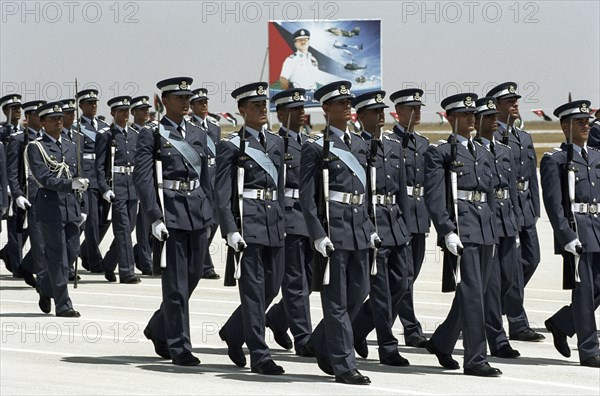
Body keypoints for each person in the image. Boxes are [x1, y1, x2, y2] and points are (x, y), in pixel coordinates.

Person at [300, 80, 378, 385]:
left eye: (349, 103)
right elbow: (308, 199)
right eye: (341, 103)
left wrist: (371, 228)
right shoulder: (315, 146)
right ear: (326, 109)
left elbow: (367, 192)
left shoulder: (360, 144)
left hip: (359, 231)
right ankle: (345, 366)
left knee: (358, 296)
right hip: (333, 234)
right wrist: (318, 235)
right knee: (336, 302)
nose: (348, 107)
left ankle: (321, 345)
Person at [134, 77, 212, 366]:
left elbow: (204, 177)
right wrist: (154, 217)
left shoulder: (197, 132)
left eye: (187, 97)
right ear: (165, 101)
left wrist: (209, 210)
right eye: (179, 98)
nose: (185, 102)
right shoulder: (153, 134)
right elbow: (143, 178)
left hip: (197, 212)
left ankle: (158, 325)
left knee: (193, 276)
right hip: (172, 214)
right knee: (176, 284)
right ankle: (179, 346)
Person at [424, 93, 501, 377]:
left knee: (476, 292)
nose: (471, 120)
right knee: (472, 295)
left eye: (473, 115)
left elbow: (489, 193)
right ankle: (475, 359)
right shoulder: (441, 151)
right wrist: (446, 230)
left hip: (484, 227)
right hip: (462, 228)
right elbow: (434, 198)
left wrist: (493, 223)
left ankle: (442, 341)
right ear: (451, 118)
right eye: (465, 115)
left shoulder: (481, 150)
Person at [216, 82, 286, 375]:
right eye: (255, 106)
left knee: (271, 289)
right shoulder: (231, 145)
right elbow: (221, 193)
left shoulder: (277, 142)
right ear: (242, 110)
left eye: (263, 105)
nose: (261, 110)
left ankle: (233, 331)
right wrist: (230, 229)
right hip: (250, 224)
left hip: (275, 225)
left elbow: (280, 186)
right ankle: (260, 354)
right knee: (253, 292)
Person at [350, 90, 412, 366]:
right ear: (361, 117)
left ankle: (355, 330)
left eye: (382, 111)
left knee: (402, 284)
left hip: (395, 224)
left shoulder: (393, 146)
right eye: (374, 112)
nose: (380, 116)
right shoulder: (356, 147)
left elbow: (401, 193)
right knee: (380, 291)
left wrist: (406, 227)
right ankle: (387, 347)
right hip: (372, 226)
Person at [541, 99, 600, 368]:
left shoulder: (597, 156)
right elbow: (554, 206)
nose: (585, 126)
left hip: (598, 227)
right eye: (579, 122)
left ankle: (562, 323)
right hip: (578, 232)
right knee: (585, 293)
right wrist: (566, 237)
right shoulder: (555, 160)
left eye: (587, 121)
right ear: (566, 126)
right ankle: (589, 351)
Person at [488, 82, 544, 342]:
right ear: (496, 107)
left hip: (524, 208)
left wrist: (535, 207)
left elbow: (532, 175)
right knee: (504, 268)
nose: (515, 104)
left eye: (516, 100)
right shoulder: (491, 137)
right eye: (509, 101)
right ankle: (517, 322)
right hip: (503, 208)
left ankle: (499, 308)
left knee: (531, 259)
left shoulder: (523, 137)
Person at [264, 88, 315, 357]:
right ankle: (303, 337)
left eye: (302, 108)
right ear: (281, 114)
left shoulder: (309, 141)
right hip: (288, 215)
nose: (301, 113)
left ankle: (277, 317)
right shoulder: (276, 144)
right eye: (294, 110)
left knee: (308, 278)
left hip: (307, 217)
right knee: (295, 281)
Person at [26, 101, 88, 317]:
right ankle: (63, 304)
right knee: (57, 257)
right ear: (42, 123)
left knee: (71, 252)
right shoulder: (37, 147)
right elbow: (43, 178)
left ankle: (45, 285)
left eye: (60, 118)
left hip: (70, 207)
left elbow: (79, 176)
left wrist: (83, 203)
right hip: (50, 208)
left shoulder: (72, 145)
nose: (58, 122)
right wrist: (70, 184)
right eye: (52, 119)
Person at [474, 97, 522, 359]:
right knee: (490, 287)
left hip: (507, 222)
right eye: (489, 117)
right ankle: (497, 339)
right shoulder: (474, 151)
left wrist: (515, 221)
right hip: (485, 223)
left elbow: (512, 190)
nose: (494, 121)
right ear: (478, 121)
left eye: (496, 116)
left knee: (509, 279)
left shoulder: (504, 151)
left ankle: (444, 337)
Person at [389, 88, 430, 348]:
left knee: (410, 277)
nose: (416, 113)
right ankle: (411, 329)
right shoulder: (389, 142)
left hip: (420, 217)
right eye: (410, 109)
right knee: (403, 277)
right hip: (398, 216)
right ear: (398, 112)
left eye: (419, 108)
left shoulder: (424, 143)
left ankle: (369, 319)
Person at [96, 96, 141, 284]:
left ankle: (108, 263)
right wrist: (105, 188)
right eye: (120, 111)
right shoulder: (106, 135)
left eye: (126, 111)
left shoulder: (135, 135)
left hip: (132, 187)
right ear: (113, 113)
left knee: (128, 228)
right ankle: (126, 272)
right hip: (117, 187)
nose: (124, 114)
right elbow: (99, 166)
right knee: (122, 230)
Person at [6, 100, 47, 287]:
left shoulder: (46, 138)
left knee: (46, 238)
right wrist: (16, 194)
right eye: (38, 115)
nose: (41, 119)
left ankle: (27, 266)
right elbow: (12, 171)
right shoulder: (18, 139)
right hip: (28, 194)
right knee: (36, 239)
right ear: (29, 117)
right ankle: (41, 278)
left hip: (46, 194)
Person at [76, 89, 111, 274]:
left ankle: (85, 252)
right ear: (80, 106)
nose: (93, 106)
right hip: (87, 178)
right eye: (89, 103)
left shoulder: (104, 126)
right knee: (90, 221)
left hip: (102, 179)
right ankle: (94, 261)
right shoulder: (76, 127)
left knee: (104, 220)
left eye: (95, 102)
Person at [189, 87, 221, 280]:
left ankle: (200, 258)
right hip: (201, 177)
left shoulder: (215, 127)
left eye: (206, 102)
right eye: (200, 103)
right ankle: (205, 265)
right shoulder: (190, 126)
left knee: (215, 220)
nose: (204, 105)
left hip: (215, 176)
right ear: (192, 106)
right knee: (204, 220)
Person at [129, 96, 153, 276]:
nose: (146, 113)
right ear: (133, 113)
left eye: (147, 109)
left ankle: (145, 255)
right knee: (136, 225)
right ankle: (145, 261)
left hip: (150, 183)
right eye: (142, 110)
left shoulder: (153, 131)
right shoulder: (129, 133)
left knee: (149, 222)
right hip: (130, 183)